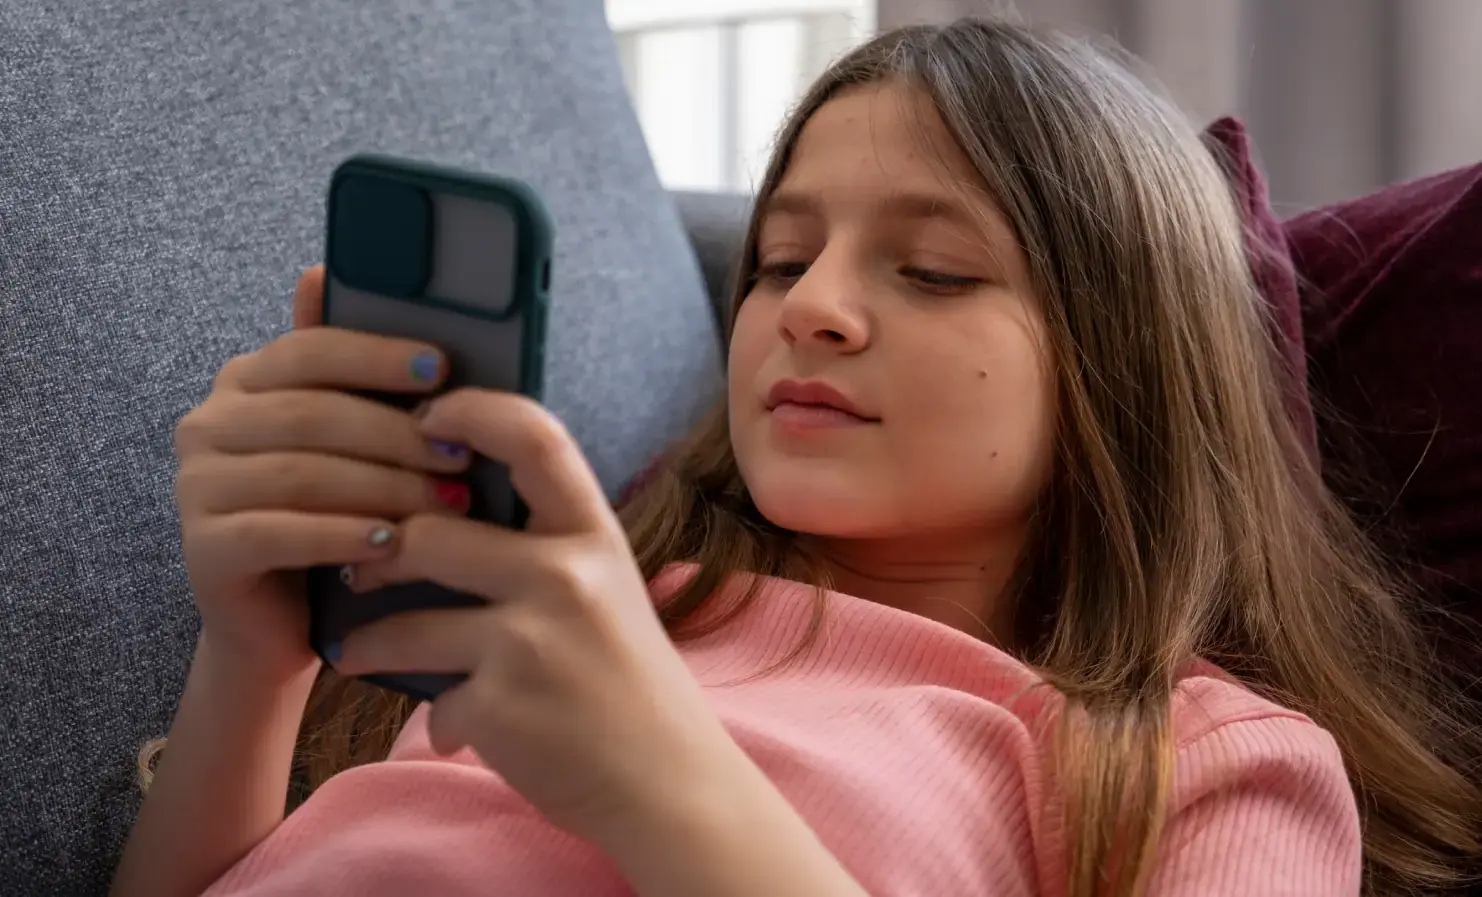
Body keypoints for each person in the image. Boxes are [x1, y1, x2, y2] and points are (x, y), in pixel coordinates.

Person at [110, 17, 1479, 897]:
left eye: (933, 270)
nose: (809, 306)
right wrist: (254, 663)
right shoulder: (616, 603)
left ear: (1130, 362)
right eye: (778, 259)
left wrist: (657, 782)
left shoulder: (1204, 763)